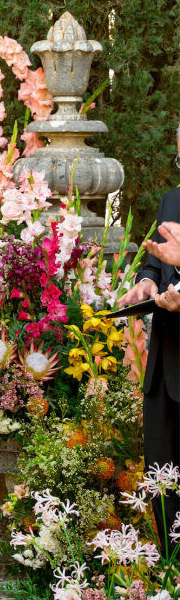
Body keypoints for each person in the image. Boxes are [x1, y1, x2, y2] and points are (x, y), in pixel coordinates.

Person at [119, 149, 180, 550]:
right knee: (163, 481)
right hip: (165, 367)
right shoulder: (171, 200)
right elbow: (157, 264)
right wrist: (145, 282)